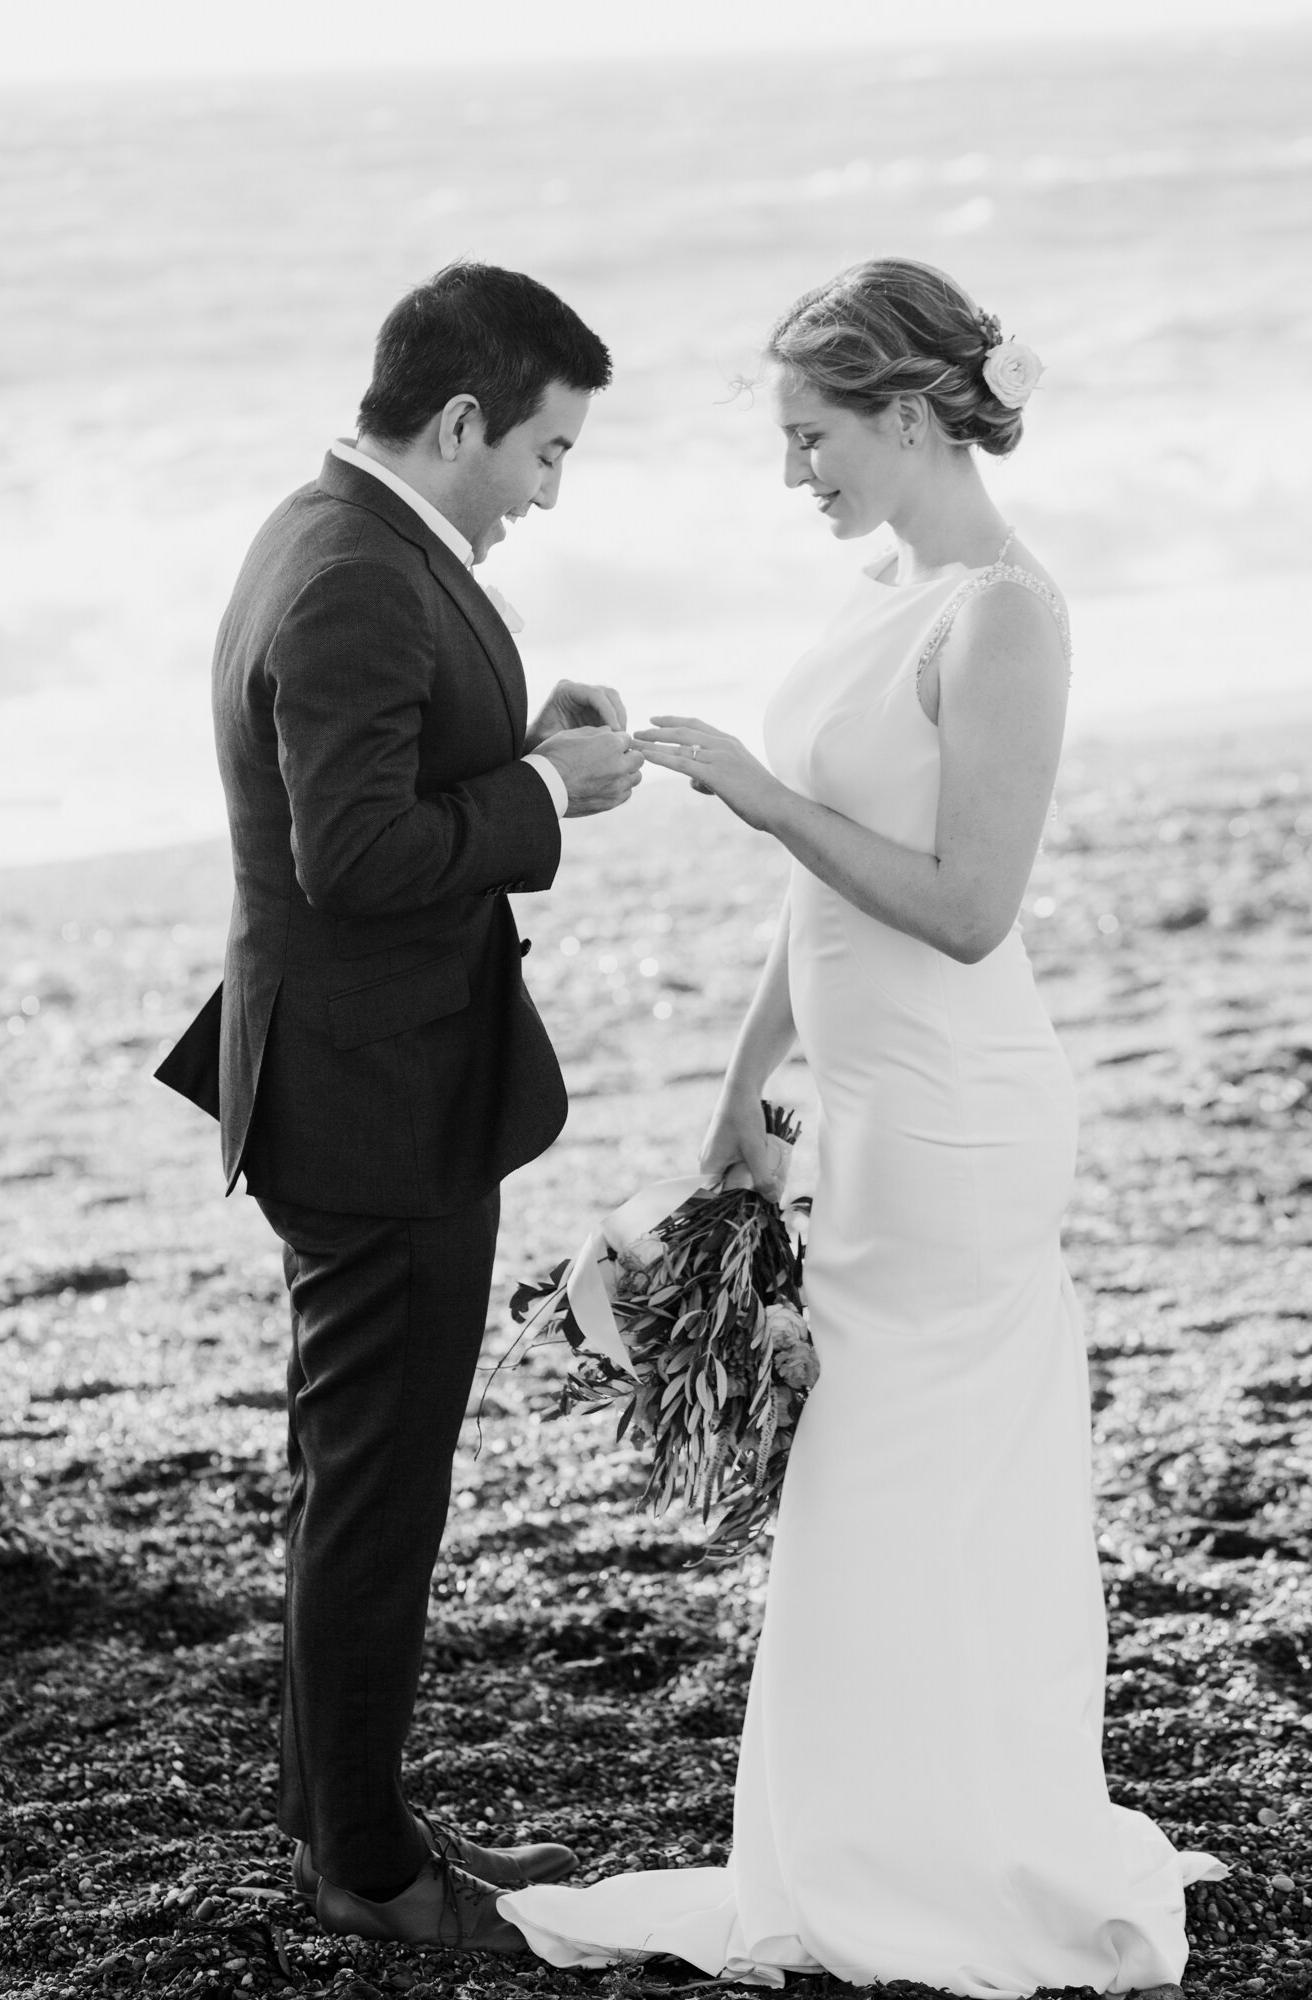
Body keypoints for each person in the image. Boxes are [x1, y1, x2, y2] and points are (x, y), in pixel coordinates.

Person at [498, 258, 1224, 1994]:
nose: (791, 472)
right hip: (855, 1106)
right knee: (871, 1489)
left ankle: (942, 1855)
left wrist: (750, 796)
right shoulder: (880, 589)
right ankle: (870, 1840)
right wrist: (746, 1097)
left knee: (910, 1480)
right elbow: (817, 906)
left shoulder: (1003, 615)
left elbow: (967, 907)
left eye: (811, 435)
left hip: (959, 1115)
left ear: (908, 415)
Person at [155, 261, 643, 1952]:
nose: (543, 492)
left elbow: (366, 777)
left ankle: (339, 1815)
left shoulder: (333, 532)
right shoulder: (354, 573)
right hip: (372, 1099)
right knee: (376, 1499)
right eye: (544, 452)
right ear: (459, 422)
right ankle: (361, 1870)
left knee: (348, 1480)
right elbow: (350, 856)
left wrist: (521, 741)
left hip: (360, 1071)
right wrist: (535, 791)